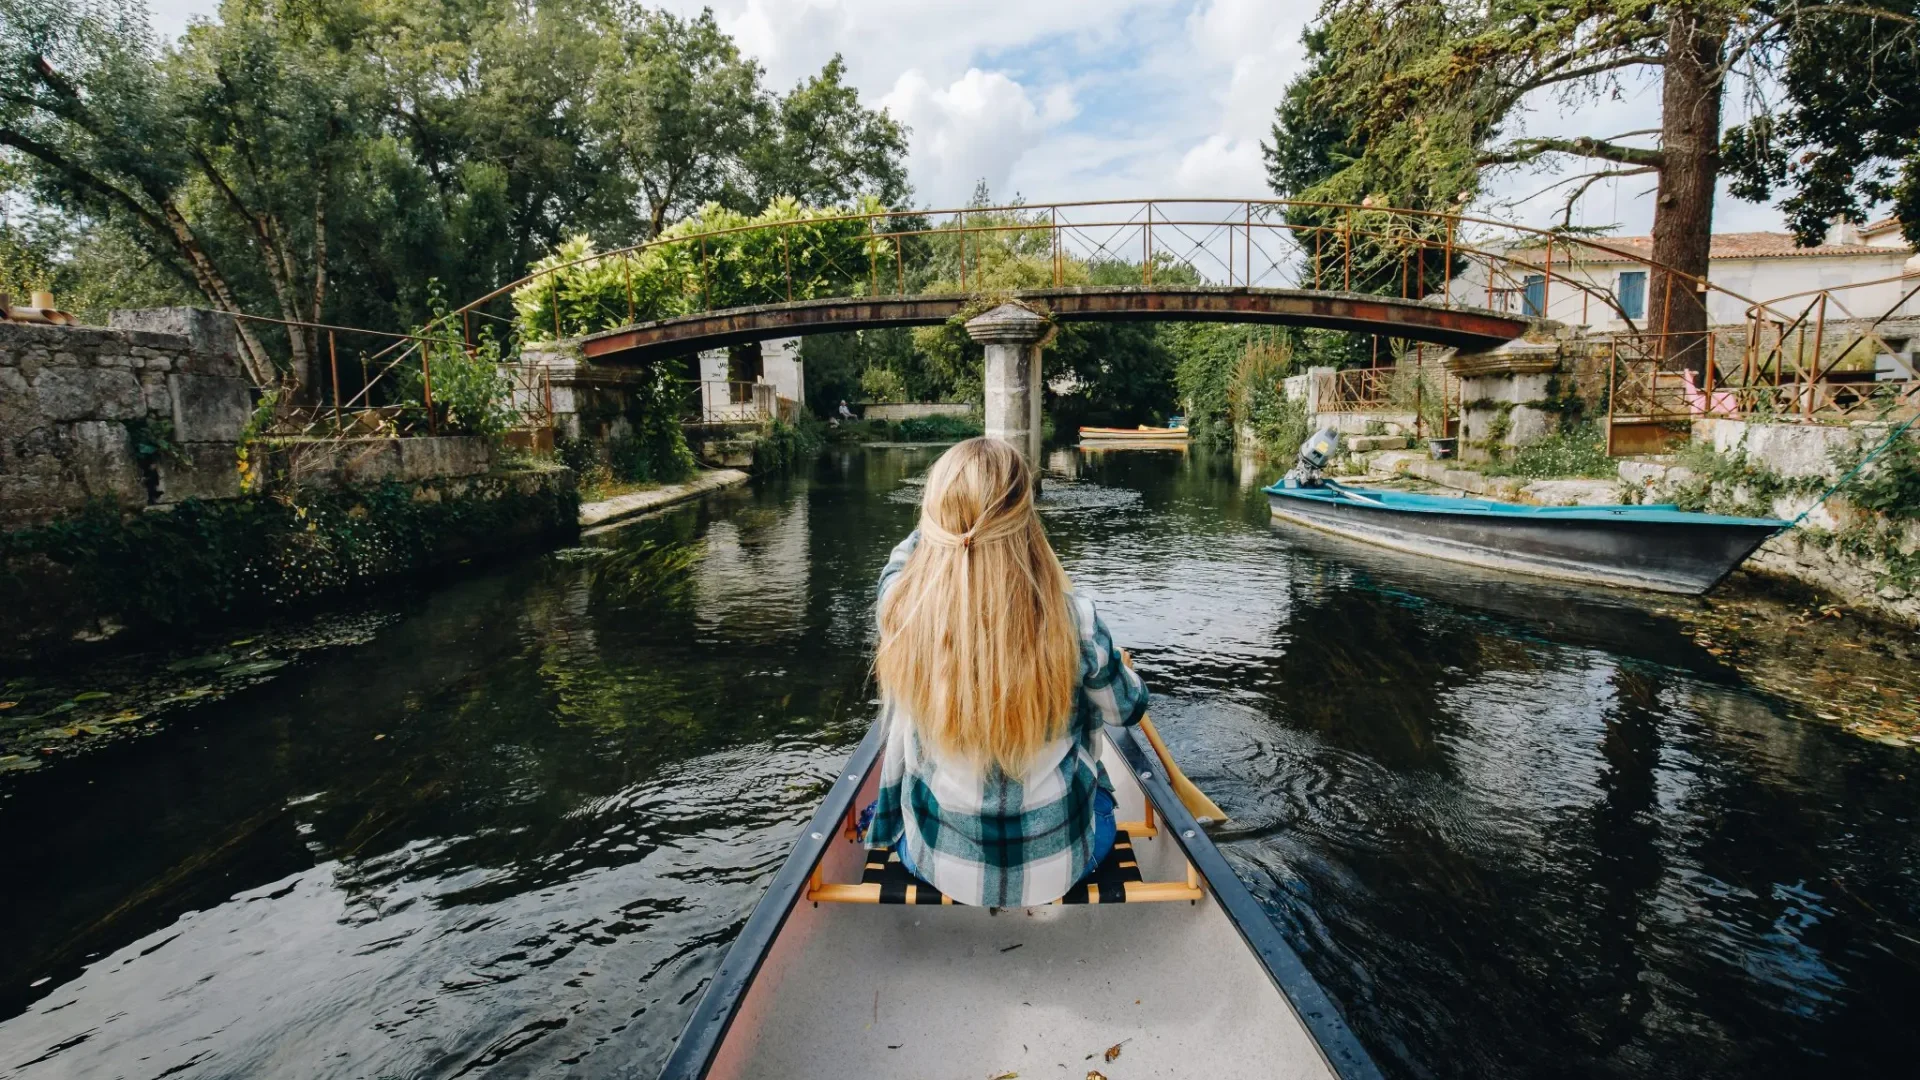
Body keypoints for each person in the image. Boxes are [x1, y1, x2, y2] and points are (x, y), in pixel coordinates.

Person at [865, 437, 1148, 907]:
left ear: (934, 521)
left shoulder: (900, 609)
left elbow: (898, 564)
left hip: (938, 862)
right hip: (1061, 864)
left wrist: (944, 527)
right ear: (1027, 522)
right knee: (1097, 775)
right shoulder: (1073, 621)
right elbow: (1131, 709)